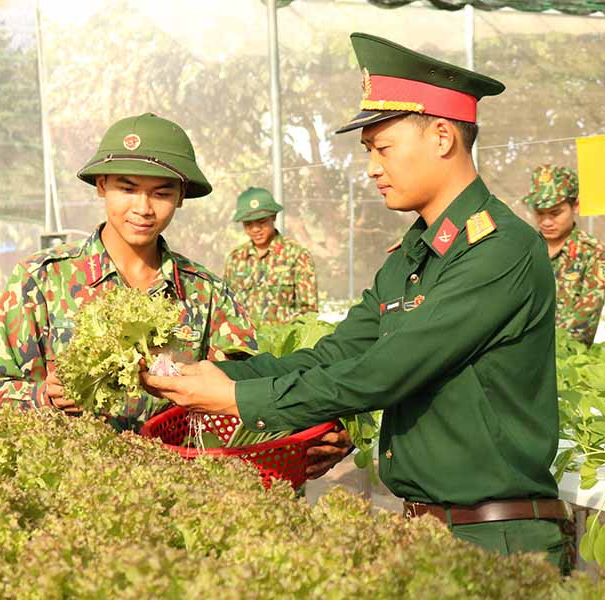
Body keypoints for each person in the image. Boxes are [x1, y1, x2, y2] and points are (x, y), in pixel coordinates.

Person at [141, 33, 574, 574]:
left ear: (442, 136)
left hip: (499, 542)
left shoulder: (498, 249)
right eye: (368, 151)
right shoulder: (412, 256)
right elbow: (337, 353)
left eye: (382, 148)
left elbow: (384, 372)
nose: (371, 168)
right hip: (432, 533)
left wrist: (238, 400)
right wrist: (222, 374)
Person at [0, 113, 259, 431]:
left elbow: (245, 396)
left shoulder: (207, 294)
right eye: (127, 189)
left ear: (181, 196)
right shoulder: (40, 280)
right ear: (102, 185)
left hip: (174, 460)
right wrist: (46, 396)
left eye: (161, 193)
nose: (143, 208)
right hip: (76, 461)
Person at [522, 165, 605, 346]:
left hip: (565, 354)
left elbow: (584, 321)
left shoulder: (594, 254)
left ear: (576, 206)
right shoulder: (523, 249)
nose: (546, 222)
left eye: (555, 213)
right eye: (539, 213)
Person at [223, 187, 318, 324]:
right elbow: (227, 305)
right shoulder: (236, 258)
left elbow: (308, 311)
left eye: (261, 221)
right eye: (248, 224)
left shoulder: (297, 255)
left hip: (283, 336)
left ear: (273, 217)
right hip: (245, 336)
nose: (255, 229)